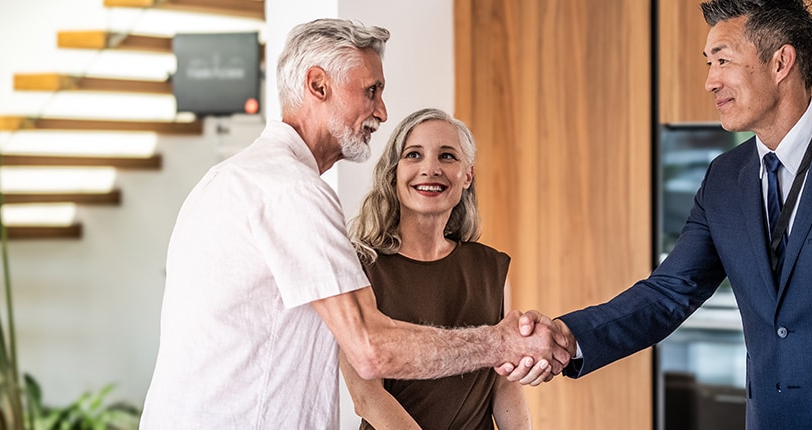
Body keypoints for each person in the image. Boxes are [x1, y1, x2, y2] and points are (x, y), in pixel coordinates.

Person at [503, 0, 812, 428]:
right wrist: (567, 335)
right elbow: (669, 292)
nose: (710, 81)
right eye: (708, 63)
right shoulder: (725, 177)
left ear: (781, 63)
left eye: (723, 60)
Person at [140, 19, 568, 429]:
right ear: (318, 85)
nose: (381, 112)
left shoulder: (237, 178)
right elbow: (370, 349)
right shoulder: (291, 190)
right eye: (371, 90)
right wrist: (502, 342)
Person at [340, 108, 530, 430]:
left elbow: (504, 383)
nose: (430, 169)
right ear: (395, 172)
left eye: (447, 156)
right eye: (414, 155)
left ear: (467, 175)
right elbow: (366, 396)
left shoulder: (491, 268)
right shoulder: (360, 267)